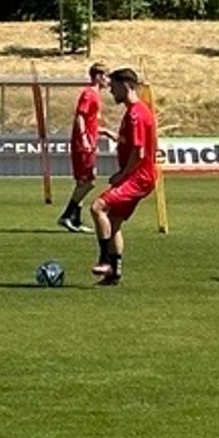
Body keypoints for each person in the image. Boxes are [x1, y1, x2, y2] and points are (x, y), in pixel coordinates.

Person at [90, 67, 159, 286]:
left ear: (127, 85)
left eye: (114, 87)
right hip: (141, 176)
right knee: (113, 221)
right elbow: (131, 144)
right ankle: (114, 273)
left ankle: (104, 259)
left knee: (97, 207)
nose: (111, 92)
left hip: (139, 176)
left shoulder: (136, 114)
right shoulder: (136, 112)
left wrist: (122, 175)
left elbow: (138, 153)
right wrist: (113, 135)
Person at [60, 64, 111, 231]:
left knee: (82, 183)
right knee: (89, 181)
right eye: (106, 76)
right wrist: (84, 138)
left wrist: (106, 132)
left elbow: (91, 123)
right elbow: (80, 117)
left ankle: (75, 220)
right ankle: (66, 215)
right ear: (98, 76)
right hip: (84, 144)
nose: (108, 80)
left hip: (89, 142)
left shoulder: (95, 95)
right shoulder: (89, 94)